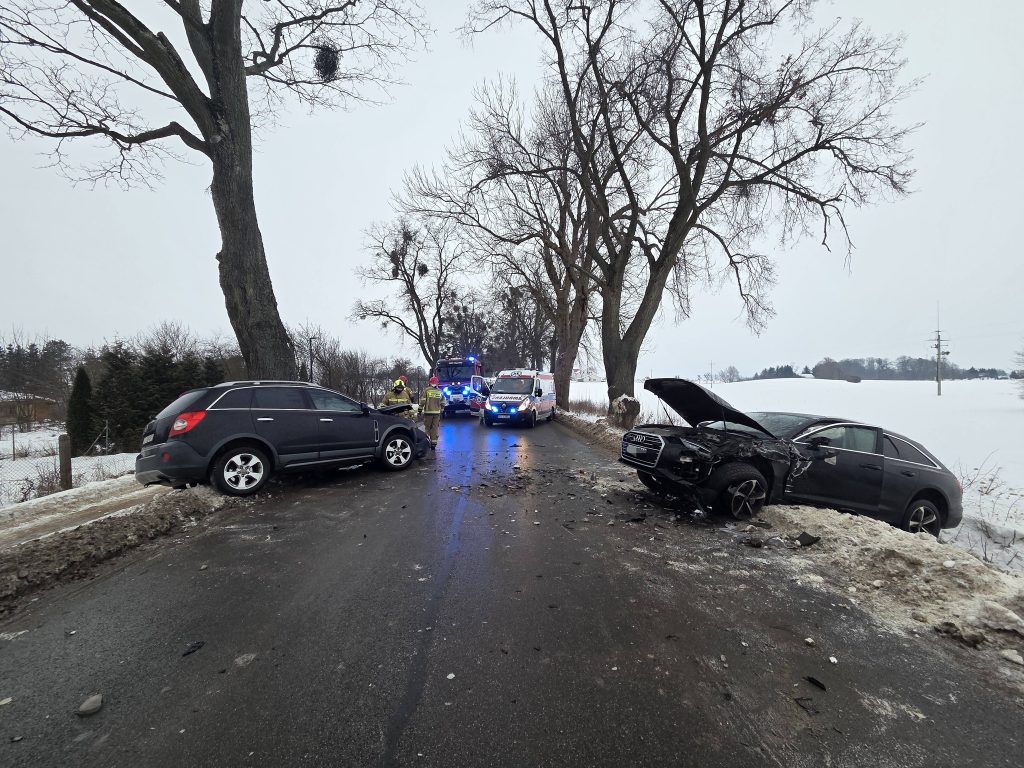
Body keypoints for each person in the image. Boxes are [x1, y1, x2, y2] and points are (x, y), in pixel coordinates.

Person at [420, 376, 444, 450]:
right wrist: (442, 410)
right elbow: (443, 402)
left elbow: (423, 401)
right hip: (437, 413)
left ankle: (427, 443)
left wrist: (419, 410)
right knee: (434, 428)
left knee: (427, 428)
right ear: (437, 383)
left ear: (430, 383)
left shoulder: (426, 390)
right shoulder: (440, 391)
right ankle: (434, 444)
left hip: (428, 412)